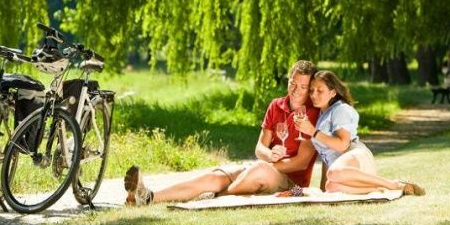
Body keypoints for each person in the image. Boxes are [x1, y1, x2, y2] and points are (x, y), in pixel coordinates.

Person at [124, 60, 320, 205]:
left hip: (294, 187)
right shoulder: (276, 106)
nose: (295, 90)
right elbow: (260, 148)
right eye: (292, 83)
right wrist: (269, 154)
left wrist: (271, 165)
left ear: (309, 88)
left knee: (259, 170)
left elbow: (302, 162)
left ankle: (216, 196)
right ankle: (148, 197)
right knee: (214, 177)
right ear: (288, 80)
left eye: (302, 87)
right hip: (264, 168)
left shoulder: (313, 113)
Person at [294, 70, 425, 196]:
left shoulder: (340, 109)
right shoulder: (322, 114)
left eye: (319, 90)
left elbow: (342, 145)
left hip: (356, 158)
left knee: (333, 174)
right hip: (343, 172)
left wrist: (312, 131)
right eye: (311, 90)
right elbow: (327, 156)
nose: (313, 94)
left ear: (333, 93)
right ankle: (380, 188)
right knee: (331, 187)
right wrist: (323, 191)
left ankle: (393, 184)